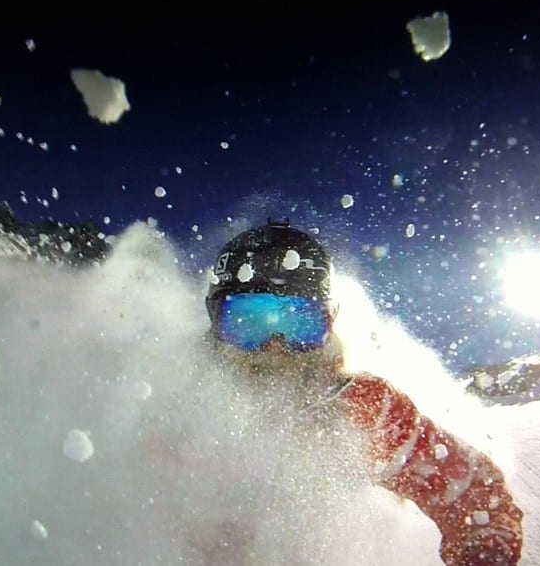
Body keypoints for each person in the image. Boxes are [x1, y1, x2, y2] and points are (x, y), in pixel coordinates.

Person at [205, 218, 523, 565]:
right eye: (249, 322)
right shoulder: (172, 401)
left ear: (329, 325)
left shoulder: (362, 408)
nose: (275, 347)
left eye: (300, 323)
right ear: (215, 320)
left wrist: (483, 554)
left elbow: (471, 489)